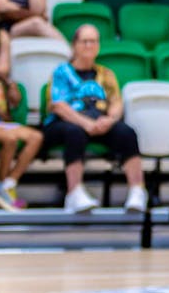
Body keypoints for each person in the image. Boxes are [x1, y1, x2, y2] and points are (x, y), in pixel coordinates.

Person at [43, 23, 147, 213]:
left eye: (93, 41)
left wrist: (110, 119)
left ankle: (137, 190)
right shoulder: (62, 72)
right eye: (85, 41)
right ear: (75, 45)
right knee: (75, 133)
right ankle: (74, 193)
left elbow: (116, 101)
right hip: (65, 123)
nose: (89, 45)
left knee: (127, 133)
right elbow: (58, 105)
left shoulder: (106, 74)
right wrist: (86, 123)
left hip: (99, 122)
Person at [0, 41, 43, 211]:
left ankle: (8, 184)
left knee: (36, 137)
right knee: (10, 139)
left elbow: (14, 105)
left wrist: (8, 82)